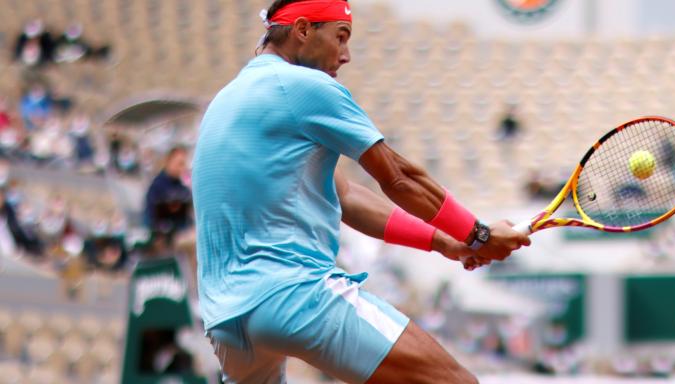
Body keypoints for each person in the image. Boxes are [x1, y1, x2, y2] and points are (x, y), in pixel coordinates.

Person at [191, 1, 531, 383]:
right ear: (303, 30)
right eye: (340, 37)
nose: (346, 54)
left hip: (227, 322)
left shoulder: (227, 99)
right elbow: (399, 177)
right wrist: (478, 233)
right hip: (295, 294)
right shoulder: (306, 87)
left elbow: (346, 198)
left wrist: (443, 241)